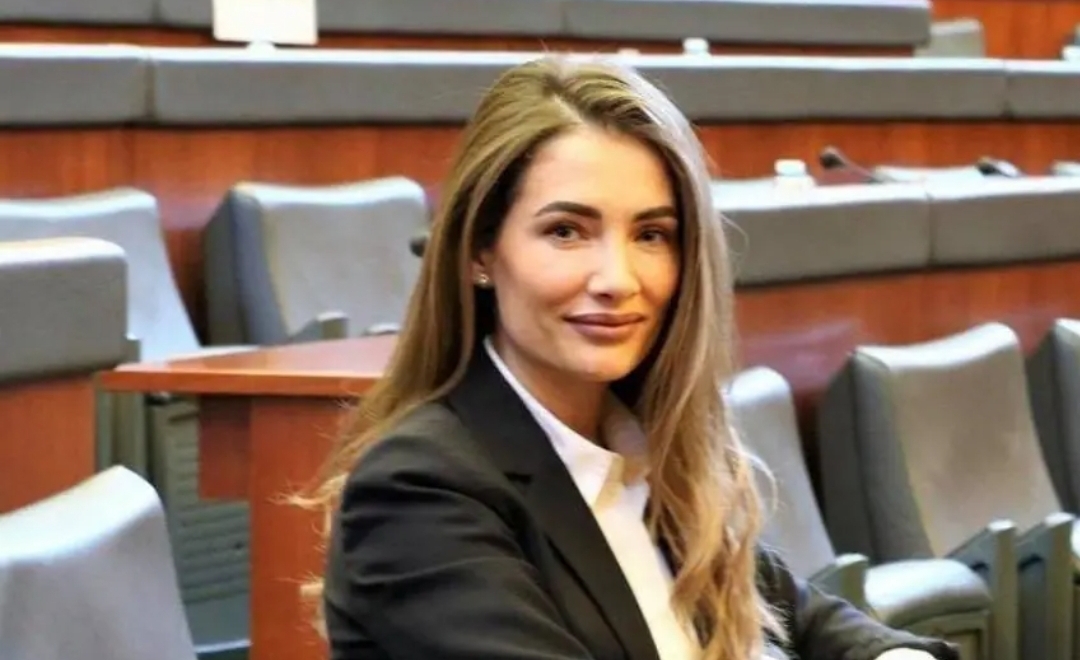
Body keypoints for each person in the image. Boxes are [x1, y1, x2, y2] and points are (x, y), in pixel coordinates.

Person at [307, 55, 960, 660]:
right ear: (481, 251)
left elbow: (801, 616)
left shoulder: (646, 448)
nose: (618, 279)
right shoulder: (419, 487)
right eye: (567, 231)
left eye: (651, 235)